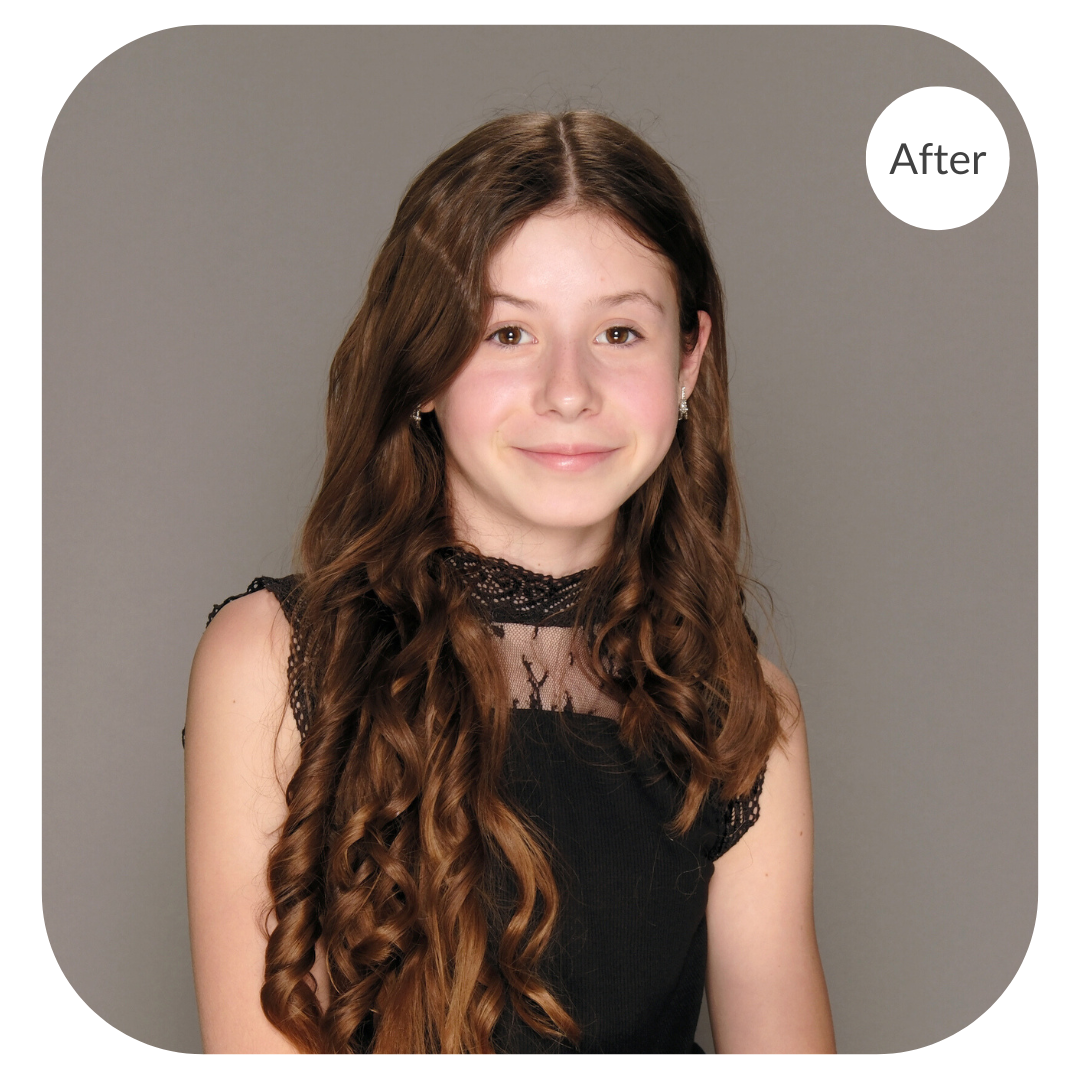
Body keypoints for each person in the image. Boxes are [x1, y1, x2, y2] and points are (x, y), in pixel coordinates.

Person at [184, 111, 835, 1054]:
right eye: (506, 334)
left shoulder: (741, 706)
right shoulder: (274, 659)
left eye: (618, 330)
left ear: (688, 358)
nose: (568, 391)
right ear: (420, 371)